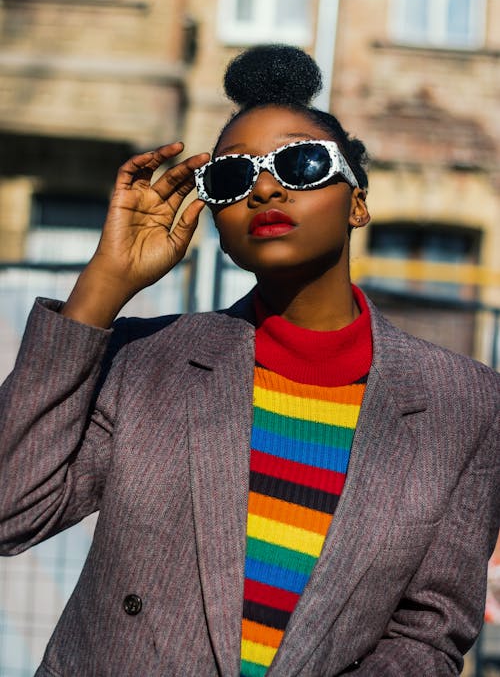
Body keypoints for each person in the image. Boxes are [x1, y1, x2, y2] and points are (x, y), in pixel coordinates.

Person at [0, 44, 498, 677]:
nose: (264, 187)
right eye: (231, 177)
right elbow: (9, 509)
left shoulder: (465, 403)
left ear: (357, 203)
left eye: (301, 163)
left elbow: (428, 631)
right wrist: (103, 287)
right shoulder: (148, 363)